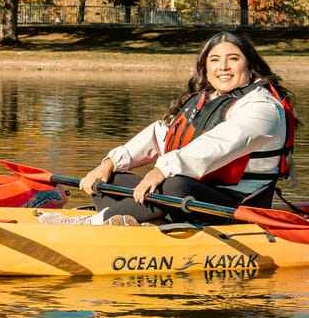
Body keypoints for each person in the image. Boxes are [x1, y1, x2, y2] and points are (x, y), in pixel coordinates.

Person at [56, 30, 296, 225]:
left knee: (173, 185)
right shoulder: (208, 100)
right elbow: (160, 134)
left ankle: (96, 224)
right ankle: (133, 222)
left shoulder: (263, 108)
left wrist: (161, 170)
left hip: (239, 204)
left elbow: (216, 145)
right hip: (200, 194)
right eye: (214, 60)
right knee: (110, 181)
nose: (222, 67)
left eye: (233, 59)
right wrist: (108, 163)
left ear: (250, 65)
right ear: (206, 68)